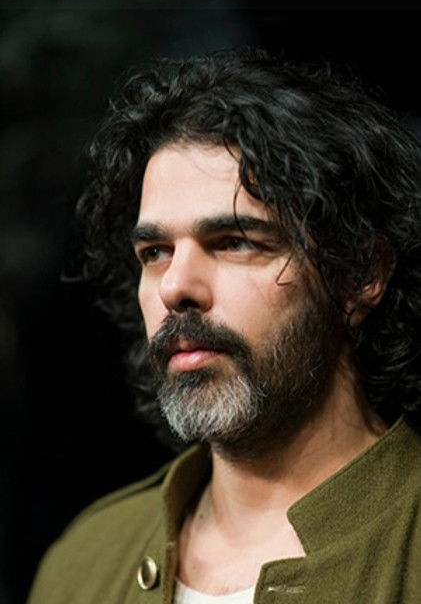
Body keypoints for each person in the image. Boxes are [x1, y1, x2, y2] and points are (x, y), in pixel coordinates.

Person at [27, 49, 421, 603]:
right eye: (155, 251)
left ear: (361, 275)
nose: (174, 287)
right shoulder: (83, 562)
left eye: (234, 242)